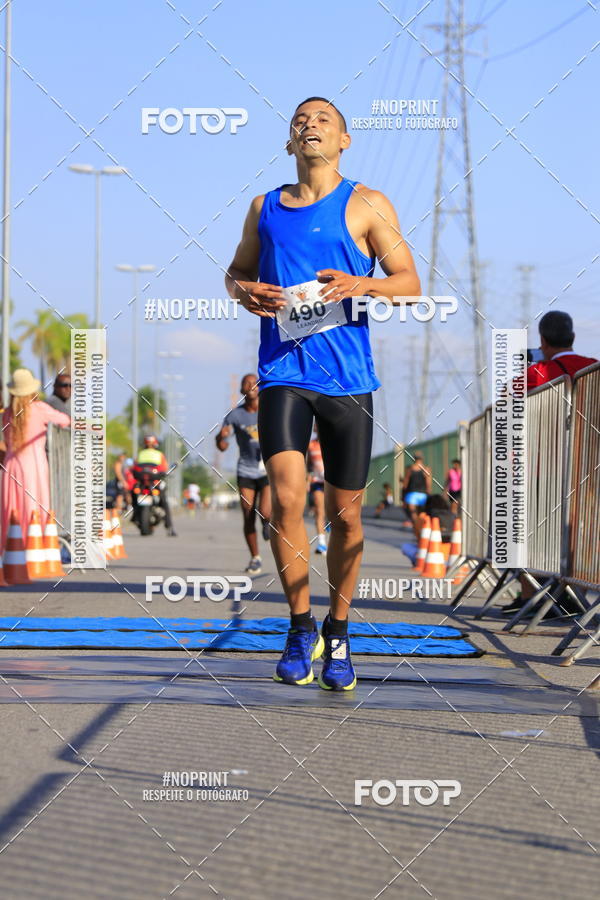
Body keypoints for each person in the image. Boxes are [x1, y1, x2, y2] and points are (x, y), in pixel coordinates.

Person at [225, 96, 420, 689]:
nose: (310, 126)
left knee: (346, 519)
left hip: (348, 381)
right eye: (300, 121)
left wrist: (363, 283)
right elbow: (235, 272)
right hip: (282, 373)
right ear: (290, 142)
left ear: (344, 142)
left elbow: (409, 283)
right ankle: (299, 625)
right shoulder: (265, 207)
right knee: (286, 501)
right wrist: (243, 292)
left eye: (324, 121)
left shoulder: (365, 203)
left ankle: (338, 631)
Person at [504, 311, 597, 617]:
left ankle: (532, 596)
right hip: (588, 464)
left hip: (546, 466)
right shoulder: (592, 367)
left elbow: (507, 395)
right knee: (581, 531)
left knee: (530, 531)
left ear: (542, 340)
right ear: (572, 337)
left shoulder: (540, 371)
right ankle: (574, 592)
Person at [1, 368, 70, 550]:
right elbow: (64, 420)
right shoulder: (39, 409)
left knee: (11, 508)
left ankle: (11, 549)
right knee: (34, 506)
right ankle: (33, 548)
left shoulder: (7, 413)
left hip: (11, 465)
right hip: (33, 465)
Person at [216, 374, 272, 575]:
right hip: (246, 470)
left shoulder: (269, 411)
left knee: (265, 511)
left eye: (255, 382)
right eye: (246, 383)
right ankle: (255, 558)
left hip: (266, 469)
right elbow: (222, 447)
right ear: (241, 390)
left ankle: (267, 523)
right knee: (248, 513)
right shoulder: (234, 416)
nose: (251, 385)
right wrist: (220, 438)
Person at [526, 310, 597, 391]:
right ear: (573, 337)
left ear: (543, 341)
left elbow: (511, 390)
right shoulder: (594, 365)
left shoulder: (538, 371)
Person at [134, 435, 177, 536]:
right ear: (155, 444)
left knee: (132, 496)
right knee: (164, 503)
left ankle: (135, 517)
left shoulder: (140, 454)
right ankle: (169, 527)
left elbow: (134, 467)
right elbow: (165, 469)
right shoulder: (159, 454)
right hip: (154, 482)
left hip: (141, 482)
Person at [306, 430, 327, 554]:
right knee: (319, 511)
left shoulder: (332, 442)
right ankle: (322, 543)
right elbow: (309, 465)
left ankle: (328, 524)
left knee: (332, 511)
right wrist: (307, 479)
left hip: (331, 482)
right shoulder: (311, 445)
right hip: (317, 482)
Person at [402, 453, 432, 534]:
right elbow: (428, 483)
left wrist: (403, 494)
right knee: (420, 513)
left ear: (413, 459)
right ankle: (420, 528)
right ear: (422, 459)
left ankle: (417, 528)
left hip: (412, 494)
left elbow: (405, 483)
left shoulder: (410, 469)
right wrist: (429, 493)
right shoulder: (426, 469)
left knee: (413, 513)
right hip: (422, 494)